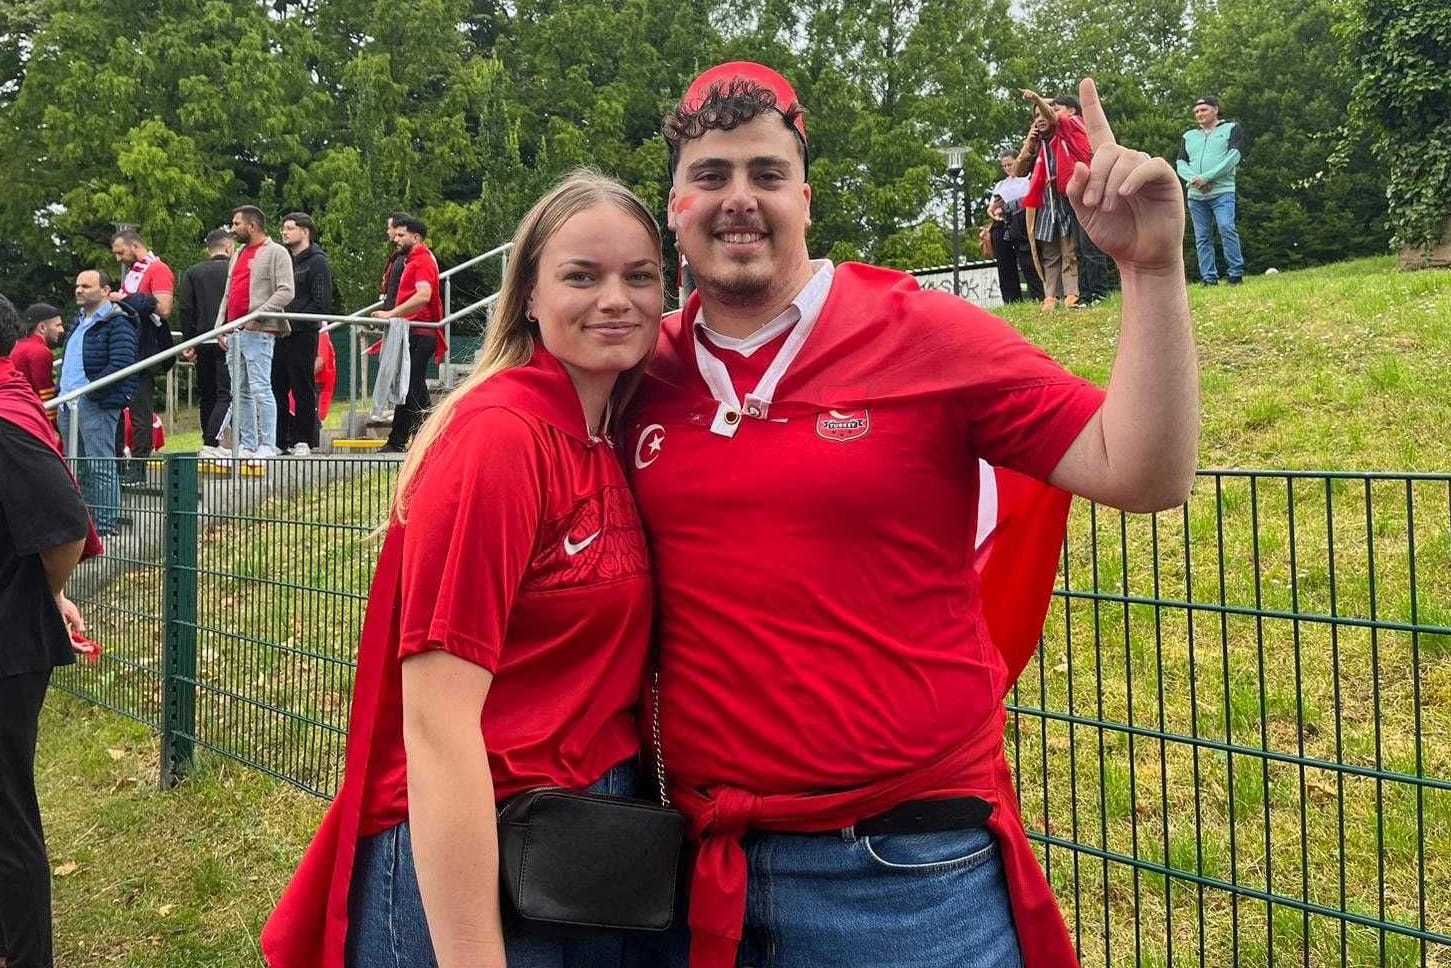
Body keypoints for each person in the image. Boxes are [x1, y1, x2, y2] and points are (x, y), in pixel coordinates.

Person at [626, 62, 1197, 968]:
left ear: (805, 198)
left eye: (766, 175)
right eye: (711, 175)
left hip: (906, 878)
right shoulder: (631, 372)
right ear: (674, 208)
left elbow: (1144, 472)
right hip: (687, 872)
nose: (740, 199)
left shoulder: (924, 330)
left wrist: (1151, 267)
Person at [261, 171, 665, 968]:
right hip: (477, 855)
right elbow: (437, 727)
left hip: (587, 845)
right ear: (528, 297)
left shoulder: (610, 431)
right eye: (581, 276)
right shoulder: (500, 438)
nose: (615, 298)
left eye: (640, 276)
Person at [0, 293, 102, 968]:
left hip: (6, 644)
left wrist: (51, 590)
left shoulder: (4, 422)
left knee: (4, 818)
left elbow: (63, 524)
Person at [57, 271, 138, 536]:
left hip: (95, 404)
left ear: (105, 290)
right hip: (68, 405)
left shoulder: (117, 322)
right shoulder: (78, 322)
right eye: (77, 285)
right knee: (77, 467)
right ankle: (85, 525)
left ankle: (104, 526)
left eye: (86, 286)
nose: (79, 290)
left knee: (100, 465)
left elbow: (121, 363)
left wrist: (88, 394)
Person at [216, 205, 294, 465]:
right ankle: (248, 443)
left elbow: (286, 291)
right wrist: (220, 327)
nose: (233, 228)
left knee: (261, 387)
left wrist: (257, 315)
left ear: (252, 225)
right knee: (239, 391)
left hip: (259, 331)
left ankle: (268, 443)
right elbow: (228, 292)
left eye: (236, 224)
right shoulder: (238, 253)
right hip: (235, 331)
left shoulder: (276, 252)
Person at [1018, 90, 1095, 311]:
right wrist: (1029, 145)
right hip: (1044, 201)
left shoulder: (1062, 134)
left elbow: (1053, 119)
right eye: (1036, 116)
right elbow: (1018, 170)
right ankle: (1050, 295)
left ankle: (1072, 293)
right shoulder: (1036, 143)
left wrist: (1036, 99)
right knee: (1049, 252)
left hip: (1063, 196)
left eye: (1044, 114)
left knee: (1068, 249)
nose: (1041, 119)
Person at [372, 215, 443, 453]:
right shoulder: (413, 260)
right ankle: (430, 438)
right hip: (414, 331)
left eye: (401, 235)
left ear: (416, 237)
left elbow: (424, 295)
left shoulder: (421, 260)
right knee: (415, 388)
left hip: (419, 332)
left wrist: (392, 313)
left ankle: (399, 441)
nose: (396, 239)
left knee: (410, 388)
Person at [109, 229, 175, 483]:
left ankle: (139, 468)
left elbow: (164, 308)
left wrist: (126, 299)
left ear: (135, 246)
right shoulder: (135, 272)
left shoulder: (157, 269)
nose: (118, 259)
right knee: (118, 409)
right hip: (126, 347)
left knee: (140, 412)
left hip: (144, 350)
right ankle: (118, 465)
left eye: (121, 252)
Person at [274, 212, 333, 456]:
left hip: (303, 332)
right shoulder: (284, 258)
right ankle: (279, 439)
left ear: (305, 231)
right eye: (283, 228)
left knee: (302, 386)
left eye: (290, 228)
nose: (285, 232)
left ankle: (303, 439)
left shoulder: (317, 262)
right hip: (280, 332)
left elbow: (321, 302)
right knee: (277, 386)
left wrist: (292, 319)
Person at [1176, 95, 1245, 285]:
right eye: (1196, 112)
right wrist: (1194, 179)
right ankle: (1208, 277)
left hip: (1223, 191)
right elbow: (1180, 162)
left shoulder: (1231, 129)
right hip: (1196, 195)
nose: (1199, 114)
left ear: (1215, 109)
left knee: (1226, 227)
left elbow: (1233, 157)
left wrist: (1207, 177)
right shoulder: (1189, 136)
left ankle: (1235, 274)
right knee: (1202, 237)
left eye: (1203, 110)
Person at [178, 229, 235, 458]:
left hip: (202, 339)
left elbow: (186, 308)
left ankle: (209, 440)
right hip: (228, 337)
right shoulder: (234, 270)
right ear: (229, 247)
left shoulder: (193, 273)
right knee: (226, 392)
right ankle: (213, 442)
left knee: (207, 393)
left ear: (208, 249)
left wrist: (188, 341)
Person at [986, 152, 1044, 303]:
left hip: (1021, 222)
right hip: (1002, 224)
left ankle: (1039, 295)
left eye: (1010, 164)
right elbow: (992, 207)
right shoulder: (1000, 185)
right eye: (1004, 166)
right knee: (1005, 265)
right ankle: (1011, 300)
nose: (1007, 168)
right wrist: (995, 212)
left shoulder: (1026, 180)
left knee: (1028, 262)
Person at [10, 304, 64, 410]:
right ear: (42, 327)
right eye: (57, 325)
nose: (61, 329)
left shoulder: (17, 346)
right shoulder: (40, 351)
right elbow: (44, 392)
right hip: (28, 410)